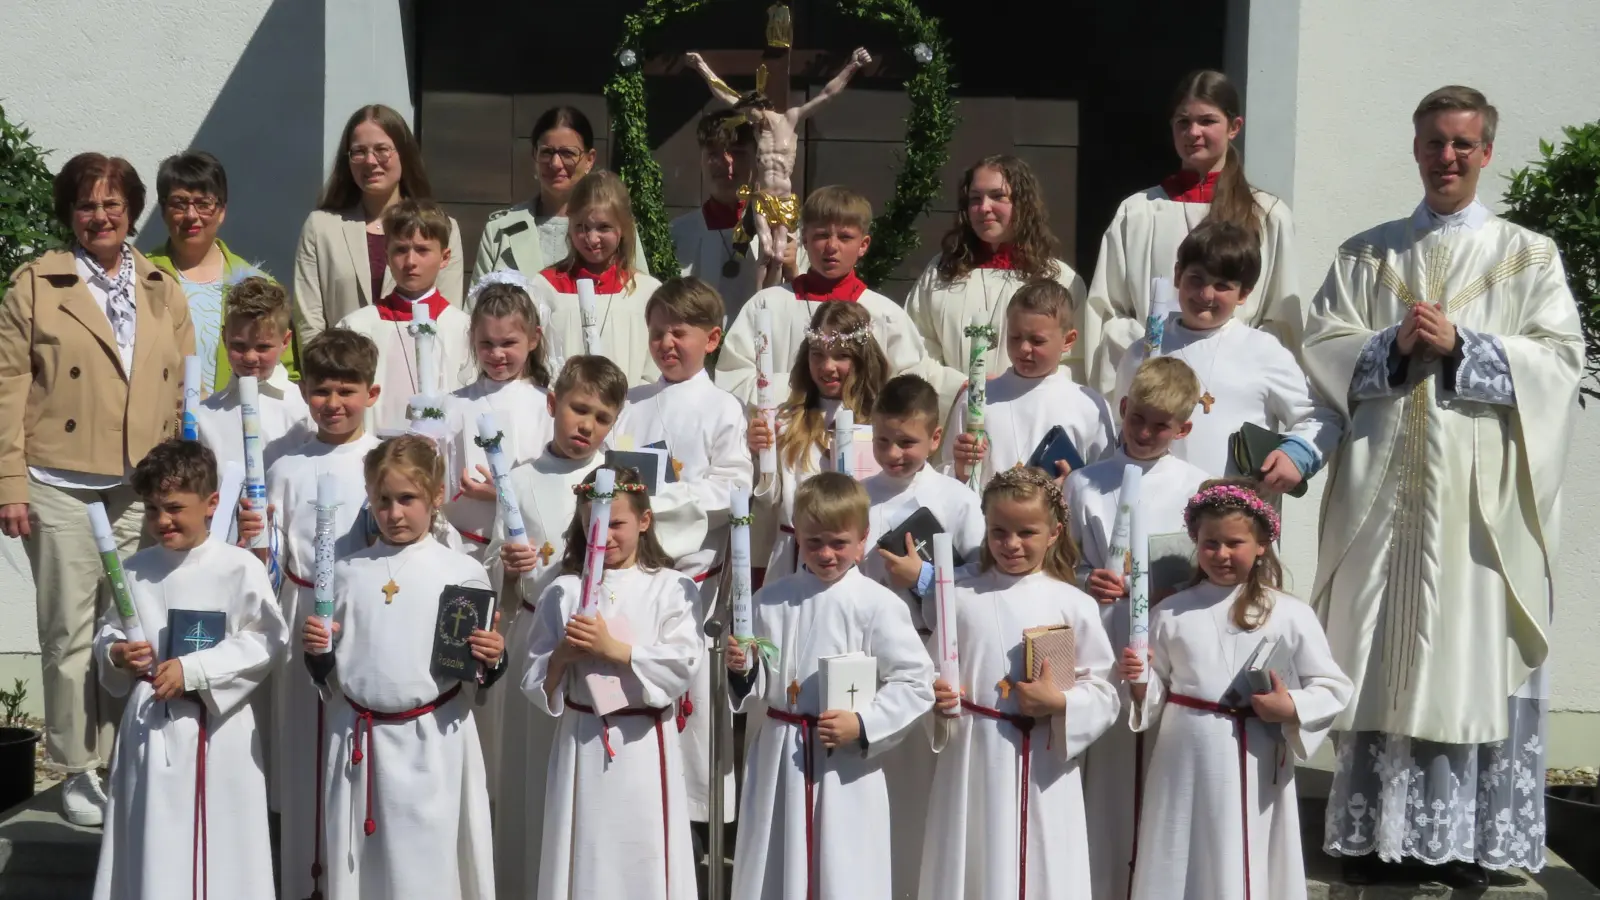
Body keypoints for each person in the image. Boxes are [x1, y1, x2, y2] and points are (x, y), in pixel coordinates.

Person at [1305, 86, 1584, 887]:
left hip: (1475, 506)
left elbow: (1559, 363)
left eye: (1464, 144)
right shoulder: (1367, 254)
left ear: (1487, 152)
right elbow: (1322, 346)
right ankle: (1370, 832)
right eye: (1434, 142)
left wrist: (1467, 345)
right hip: (1382, 495)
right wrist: (1388, 347)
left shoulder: (1528, 255)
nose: (1448, 157)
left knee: (1463, 657)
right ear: (1416, 147)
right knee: (1373, 649)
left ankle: (1457, 840)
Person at [0, 152, 194, 825]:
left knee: (133, 625)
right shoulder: (35, 282)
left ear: (131, 210)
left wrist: (182, 477)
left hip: (139, 485)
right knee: (68, 631)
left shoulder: (160, 286)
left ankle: (122, 758)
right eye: (87, 205)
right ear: (70, 214)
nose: (100, 216)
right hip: (57, 483)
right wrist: (9, 483)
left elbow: (182, 388)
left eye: (112, 204)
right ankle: (78, 768)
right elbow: (8, 386)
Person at [1121, 479, 1352, 900]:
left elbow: (1333, 686)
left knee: (1244, 849)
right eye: (1210, 543)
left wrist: (1290, 705)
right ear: (1196, 541)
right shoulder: (1170, 611)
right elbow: (1156, 694)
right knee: (1181, 845)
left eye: (1235, 542)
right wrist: (1140, 681)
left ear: (1262, 543)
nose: (1221, 554)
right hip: (1184, 750)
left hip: (1254, 751)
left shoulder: (1289, 613)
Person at [301, 436, 505, 900]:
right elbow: (330, 672)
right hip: (360, 744)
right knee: (361, 869)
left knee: (426, 872)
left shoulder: (461, 572)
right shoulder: (347, 572)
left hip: (432, 742)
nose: (394, 513)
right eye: (383, 501)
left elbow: (476, 671)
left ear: (435, 497)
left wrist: (491, 657)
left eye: (407, 499)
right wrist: (318, 652)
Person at [725, 472, 936, 900]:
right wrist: (743, 669)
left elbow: (916, 682)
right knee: (776, 862)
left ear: (862, 541)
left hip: (845, 761)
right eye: (814, 541)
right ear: (797, 537)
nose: (826, 553)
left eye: (839, 543)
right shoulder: (771, 598)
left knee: (843, 865)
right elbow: (764, 681)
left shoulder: (878, 604)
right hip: (781, 755)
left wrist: (862, 723)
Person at [92, 439, 287, 900]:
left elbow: (265, 639)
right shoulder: (134, 570)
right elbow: (108, 633)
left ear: (212, 503)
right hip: (150, 728)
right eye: (153, 509)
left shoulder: (238, 568)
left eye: (175, 507)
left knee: (223, 845)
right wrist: (119, 654)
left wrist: (194, 669)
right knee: (151, 840)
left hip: (220, 730)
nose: (163, 521)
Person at [921, 466, 1120, 900]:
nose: (1010, 544)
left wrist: (1061, 702)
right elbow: (933, 674)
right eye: (999, 531)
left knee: (1041, 860)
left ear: (1054, 533)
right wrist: (937, 698)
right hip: (973, 753)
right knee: (974, 853)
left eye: (1026, 532)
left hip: (1044, 760)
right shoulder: (959, 598)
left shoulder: (1074, 603)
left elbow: (1103, 690)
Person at [1064, 356, 1209, 900]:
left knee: (1156, 771)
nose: (1145, 434)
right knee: (1101, 773)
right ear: (1122, 410)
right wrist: (1086, 578)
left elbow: (1206, 564)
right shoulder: (1082, 483)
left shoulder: (1196, 487)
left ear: (1184, 429)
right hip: (1100, 633)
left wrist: (1173, 587)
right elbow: (1061, 563)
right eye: (1138, 419)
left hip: (1166, 644)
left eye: (1161, 426)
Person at [612, 276, 754, 832]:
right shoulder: (632, 403)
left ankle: (697, 829)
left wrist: (663, 500)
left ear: (712, 338)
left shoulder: (723, 409)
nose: (666, 344)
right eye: (656, 333)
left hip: (693, 581)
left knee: (691, 715)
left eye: (680, 333)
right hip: (633, 576)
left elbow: (732, 486)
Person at [523, 465, 702, 900]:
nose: (605, 536)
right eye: (593, 525)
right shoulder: (564, 590)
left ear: (644, 522)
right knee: (584, 850)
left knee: (643, 853)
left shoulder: (672, 588)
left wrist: (616, 649)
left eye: (617, 523)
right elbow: (533, 675)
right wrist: (564, 655)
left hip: (644, 742)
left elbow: (684, 664)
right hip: (583, 739)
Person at [490, 354, 627, 900]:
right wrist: (506, 563)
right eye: (578, 409)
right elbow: (491, 563)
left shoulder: (620, 479)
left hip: (602, 643)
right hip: (536, 640)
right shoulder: (519, 479)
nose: (587, 425)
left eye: (601, 416)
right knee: (534, 775)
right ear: (553, 404)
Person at [1083, 70, 1301, 395]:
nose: (1193, 132)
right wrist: (1155, 350)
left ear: (1234, 127)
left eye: (1207, 121)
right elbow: (1108, 312)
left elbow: (1281, 319)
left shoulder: (1267, 215)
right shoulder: (1138, 211)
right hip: (1154, 382)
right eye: (1183, 122)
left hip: (1232, 383)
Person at [262, 328, 383, 900]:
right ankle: (301, 874)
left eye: (346, 390)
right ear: (303, 390)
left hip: (357, 613)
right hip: (298, 605)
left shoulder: (379, 460)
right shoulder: (285, 463)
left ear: (371, 391)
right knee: (301, 741)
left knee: (346, 736)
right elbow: (271, 546)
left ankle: (348, 875)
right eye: (321, 390)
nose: (333, 403)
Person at [856, 374, 983, 896]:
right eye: (882, 440)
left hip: (930, 662)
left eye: (907, 442)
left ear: (935, 439)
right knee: (872, 792)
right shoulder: (858, 496)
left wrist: (924, 580)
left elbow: (978, 583)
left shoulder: (954, 500)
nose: (893, 453)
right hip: (867, 664)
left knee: (922, 800)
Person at [1112, 221, 1340, 490]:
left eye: (1222, 286)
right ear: (1177, 276)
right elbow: (1120, 426)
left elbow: (1319, 417)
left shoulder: (1262, 351)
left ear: (1243, 293)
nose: (1206, 294)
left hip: (1233, 518)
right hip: (1154, 509)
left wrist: (1296, 455)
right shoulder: (1144, 351)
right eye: (1196, 279)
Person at [716, 185, 944, 407]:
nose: (831, 246)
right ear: (804, 239)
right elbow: (733, 376)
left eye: (845, 237)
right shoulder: (767, 305)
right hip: (785, 437)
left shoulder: (885, 314)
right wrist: (801, 390)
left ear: (863, 245)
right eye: (822, 235)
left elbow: (910, 390)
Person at [904, 155, 1089, 415]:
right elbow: (915, 348)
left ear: (1023, 204)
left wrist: (1016, 389)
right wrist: (960, 386)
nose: (984, 208)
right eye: (975, 199)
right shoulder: (941, 273)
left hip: (1029, 415)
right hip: (954, 416)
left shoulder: (1059, 279)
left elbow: (1074, 363)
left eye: (998, 196)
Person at [293, 104, 466, 345]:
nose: (370, 161)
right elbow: (309, 322)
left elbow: (447, 314)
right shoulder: (321, 228)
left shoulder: (444, 228)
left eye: (382, 150)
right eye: (359, 151)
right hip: (341, 375)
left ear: (404, 154)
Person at [747, 302, 889, 580]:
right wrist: (760, 455)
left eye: (841, 356)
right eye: (817, 355)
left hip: (861, 559)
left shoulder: (881, 423)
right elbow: (769, 500)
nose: (827, 367)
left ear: (862, 358)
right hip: (793, 558)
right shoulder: (787, 421)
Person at [945, 279, 1117, 487]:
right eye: (1015, 337)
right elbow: (946, 480)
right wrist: (960, 468)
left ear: (1068, 340)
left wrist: (1073, 487)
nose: (1023, 348)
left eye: (1037, 341)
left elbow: (1105, 481)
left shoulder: (1089, 406)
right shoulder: (978, 398)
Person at [145, 150, 290, 391]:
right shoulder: (142, 276)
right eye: (179, 204)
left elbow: (285, 369)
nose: (191, 216)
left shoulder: (258, 284)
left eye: (203, 204)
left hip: (237, 420)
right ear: (163, 210)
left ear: (222, 210)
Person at [443, 273, 557, 560]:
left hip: (525, 550)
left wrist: (503, 495)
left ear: (533, 339)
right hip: (462, 548)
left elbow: (553, 483)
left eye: (508, 343)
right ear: (472, 339)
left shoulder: (548, 406)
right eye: (486, 344)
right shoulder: (453, 404)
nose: (496, 354)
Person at [335, 199, 473, 434]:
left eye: (422, 250)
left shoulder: (463, 328)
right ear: (386, 256)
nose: (410, 262)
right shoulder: (356, 327)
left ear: (445, 257)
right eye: (400, 250)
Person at [474, 105, 649, 284]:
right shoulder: (500, 231)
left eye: (567, 153)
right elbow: (476, 307)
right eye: (547, 152)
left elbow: (639, 297)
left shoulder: (615, 228)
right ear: (534, 155)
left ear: (589, 160)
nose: (555, 163)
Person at [530, 170, 663, 387]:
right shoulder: (545, 287)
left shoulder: (646, 292)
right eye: (581, 227)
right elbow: (535, 362)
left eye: (604, 227)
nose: (592, 239)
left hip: (631, 411)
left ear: (623, 228)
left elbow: (655, 367)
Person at [670, 110, 801, 325]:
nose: (726, 164)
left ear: (756, 158)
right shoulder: (676, 235)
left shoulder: (786, 233)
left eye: (738, 152)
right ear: (701, 160)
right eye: (713, 153)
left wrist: (793, 272)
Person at [193, 277, 313, 485]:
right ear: (224, 338)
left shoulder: (305, 408)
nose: (250, 357)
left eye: (263, 347)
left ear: (285, 341)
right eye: (239, 346)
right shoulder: (205, 415)